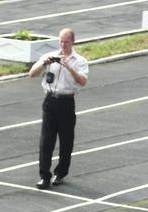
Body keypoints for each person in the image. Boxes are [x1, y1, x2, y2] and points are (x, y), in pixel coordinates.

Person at [29, 28, 89, 189]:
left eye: (66, 42)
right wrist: (44, 63)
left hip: (66, 102)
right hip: (50, 101)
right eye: (61, 41)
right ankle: (44, 176)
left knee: (66, 140)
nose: (63, 44)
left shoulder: (79, 61)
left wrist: (68, 66)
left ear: (73, 42)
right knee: (46, 141)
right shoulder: (49, 56)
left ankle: (61, 173)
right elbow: (32, 74)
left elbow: (82, 81)